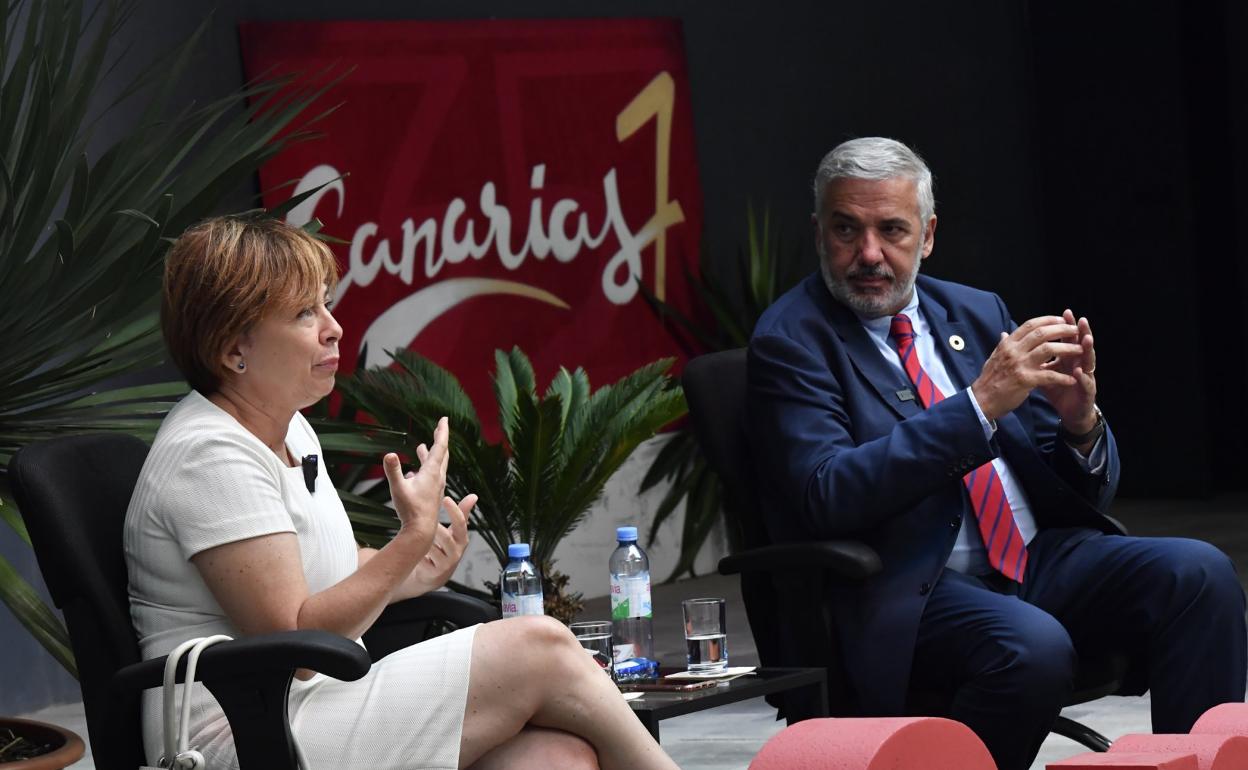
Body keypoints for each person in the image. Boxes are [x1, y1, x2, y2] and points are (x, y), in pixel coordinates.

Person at [746, 136, 1246, 770]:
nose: (868, 253)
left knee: (1199, 574)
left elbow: (1076, 488)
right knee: (1030, 646)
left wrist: (1079, 425)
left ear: (927, 235)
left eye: (891, 230)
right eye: (847, 230)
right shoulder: (792, 341)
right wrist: (978, 406)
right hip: (912, 584)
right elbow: (827, 493)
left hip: (1033, 560)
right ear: (819, 232)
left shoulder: (976, 311)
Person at [124, 216, 678, 770]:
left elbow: (326, 572)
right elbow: (294, 646)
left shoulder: (287, 427)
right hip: (242, 736)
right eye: (303, 314)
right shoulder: (210, 454)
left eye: (325, 304)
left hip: (316, 704)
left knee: (556, 757)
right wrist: (410, 540)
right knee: (541, 647)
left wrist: (417, 564)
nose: (333, 328)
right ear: (232, 350)